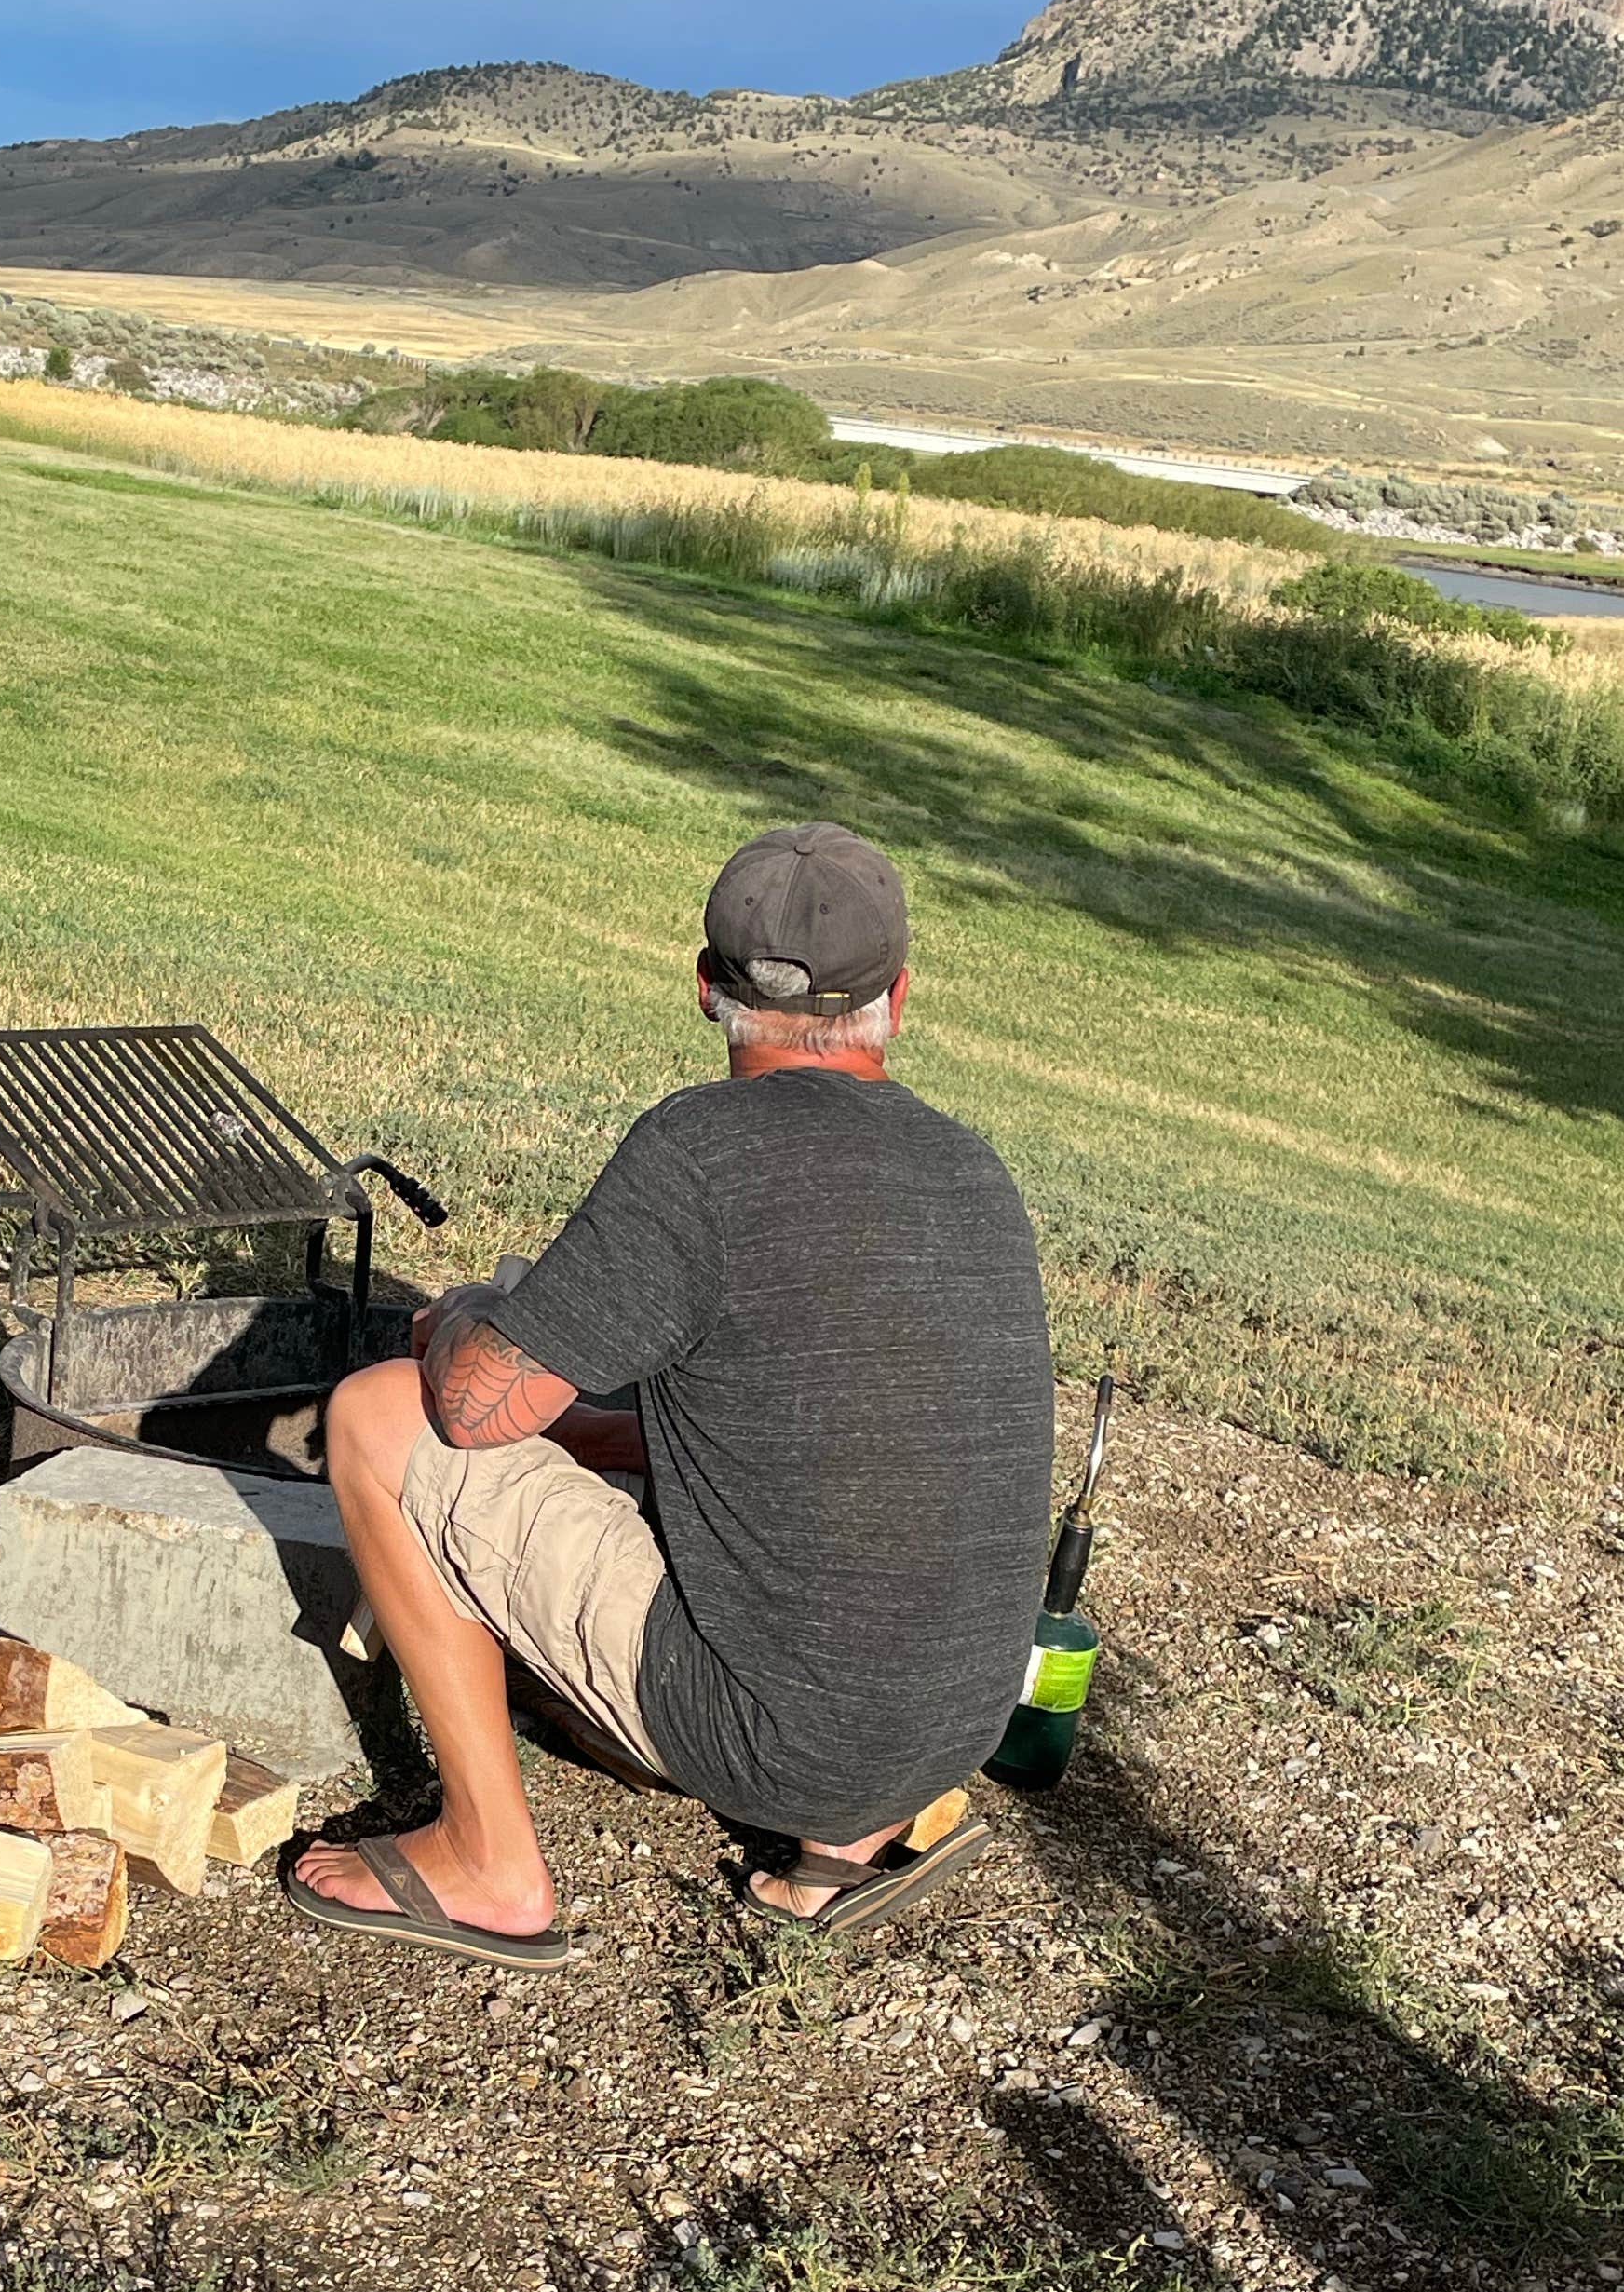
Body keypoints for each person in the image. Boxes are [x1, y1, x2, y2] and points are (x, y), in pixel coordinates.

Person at [285, 821, 1057, 1969]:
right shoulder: (973, 1168)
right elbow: (805, 1427)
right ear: (899, 995)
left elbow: (476, 1413)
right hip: (951, 1728)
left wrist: (456, 1326)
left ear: (707, 989)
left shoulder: (704, 1148)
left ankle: (486, 1863)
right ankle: (848, 1838)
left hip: (771, 1737)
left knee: (380, 1414)